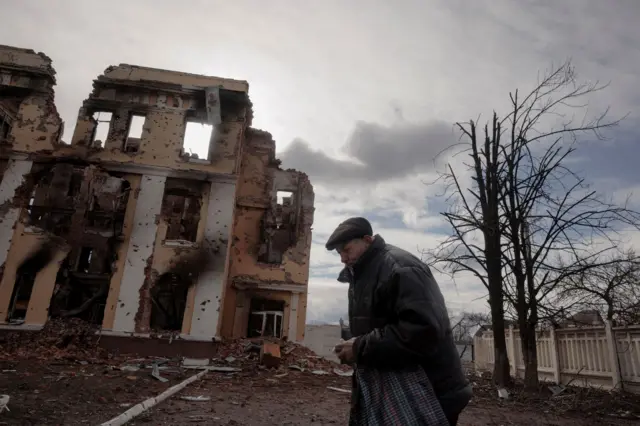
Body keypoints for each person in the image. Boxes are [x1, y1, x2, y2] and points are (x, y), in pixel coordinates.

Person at [329, 217, 472, 425]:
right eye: (339, 253)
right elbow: (378, 325)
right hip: (399, 390)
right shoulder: (364, 273)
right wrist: (353, 346)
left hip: (427, 391)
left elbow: (423, 330)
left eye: (347, 249)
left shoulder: (401, 267)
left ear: (367, 240)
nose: (342, 258)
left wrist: (359, 347)